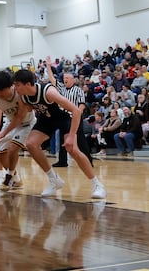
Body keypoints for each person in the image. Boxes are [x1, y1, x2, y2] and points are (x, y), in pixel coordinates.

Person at [13, 69, 106, 199]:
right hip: (47, 119)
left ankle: (97, 184)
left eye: (17, 85)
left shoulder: (48, 92)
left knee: (72, 149)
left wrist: (72, 136)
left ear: (28, 84)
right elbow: (23, 113)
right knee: (31, 144)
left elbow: (76, 111)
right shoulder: (23, 96)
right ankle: (54, 180)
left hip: (65, 118)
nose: (15, 88)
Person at [0, 70, 33, 192]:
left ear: (11, 86)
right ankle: (16, 177)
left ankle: (8, 177)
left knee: (12, 148)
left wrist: (3, 133)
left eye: (1, 90)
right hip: (11, 124)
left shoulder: (20, 93)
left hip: (28, 123)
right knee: (0, 152)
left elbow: (19, 118)